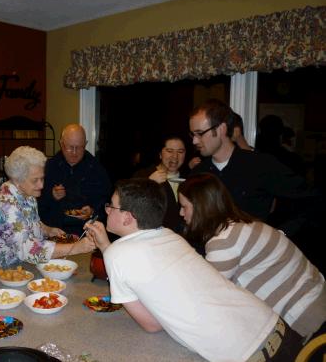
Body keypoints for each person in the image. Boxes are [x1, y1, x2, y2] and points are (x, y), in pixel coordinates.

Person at [85, 178, 302, 361]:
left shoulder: (118, 255)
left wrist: (109, 251)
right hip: (279, 328)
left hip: (253, 353)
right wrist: (108, 248)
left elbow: (152, 325)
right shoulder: (170, 236)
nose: (107, 211)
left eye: (111, 206)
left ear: (127, 216)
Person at [178, 173, 326, 340]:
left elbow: (207, 295)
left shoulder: (224, 241)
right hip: (318, 298)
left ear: (201, 206)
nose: (181, 213)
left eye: (184, 206)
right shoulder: (244, 223)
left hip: (305, 318)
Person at [188, 99, 312, 226]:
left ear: (222, 129)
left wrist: (281, 232)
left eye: (200, 133)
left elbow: (309, 198)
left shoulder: (260, 165)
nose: (195, 141)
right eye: (193, 135)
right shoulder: (198, 172)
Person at [0, 146, 96, 269]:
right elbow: (28, 249)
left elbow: (27, 223)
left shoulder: (27, 193)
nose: (41, 185)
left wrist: (47, 230)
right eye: (35, 180)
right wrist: (76, 248)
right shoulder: (5, 204)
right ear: (17, 180)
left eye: (42, 178)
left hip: (14, 267)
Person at [38, 124, 111, 235]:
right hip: (54, 231)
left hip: (85, 232)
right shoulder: (48, 168)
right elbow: (35, 204)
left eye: (79, 147)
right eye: (70, 147)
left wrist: (93, 211)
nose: (74, 152)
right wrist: (51, 195)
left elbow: (108, 204)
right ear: (61, 144)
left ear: (85, 144)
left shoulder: (96, 169)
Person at [132, 136, 187, 230]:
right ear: (160, 154)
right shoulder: (143, 175)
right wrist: (150, 184)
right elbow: (131, 206)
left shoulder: (190, 178)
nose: (175, 156)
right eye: (169, 151)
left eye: (180, 152)